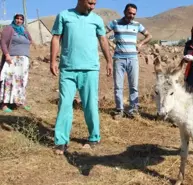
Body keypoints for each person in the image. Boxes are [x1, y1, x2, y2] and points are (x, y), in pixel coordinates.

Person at [50, 0, 112, 155]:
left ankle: (94, 137)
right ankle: (61, 141)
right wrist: (52, 60)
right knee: (64, 104)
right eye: (90, 3)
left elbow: (103, 40)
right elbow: (56, 38)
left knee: (90, 104)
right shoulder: (64, 15)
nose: (93, 6)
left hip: (90, 69)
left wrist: (109, 61)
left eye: (95, 3)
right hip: (68, 68)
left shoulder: (96, 19)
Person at [106, 3, 152, 119]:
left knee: (134, 86)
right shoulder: (115, 23)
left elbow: (149, 36)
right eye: (130, 13)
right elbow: (102, 33)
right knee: (118, 86)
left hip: (133, 59)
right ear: (124, 12)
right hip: (119, 59)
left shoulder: (137, 25)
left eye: (134, 14)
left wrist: (140, 44)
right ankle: (119, 110)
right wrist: (111, 44)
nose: (131, 16)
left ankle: (133, 110)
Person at [0, 13, 33, 113]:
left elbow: (30, 40)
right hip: (12, 58)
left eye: (21, 19)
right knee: (8, 80)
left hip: (23, 60)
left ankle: (19, 102)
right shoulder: (9, 29)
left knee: (21, 81)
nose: (19, 21)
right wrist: (7, 55)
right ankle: (4, 104)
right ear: (14, 19)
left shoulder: (24, 31)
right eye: (17, 19)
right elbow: (3, 42)